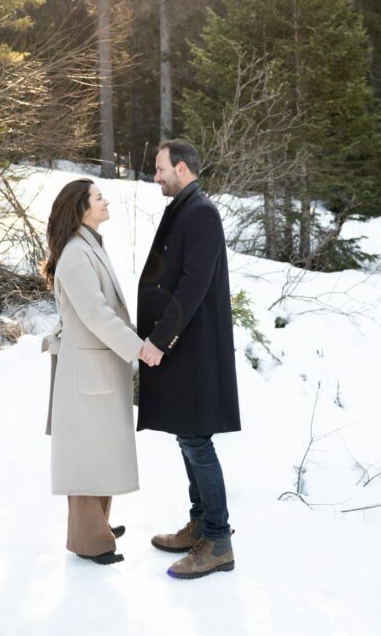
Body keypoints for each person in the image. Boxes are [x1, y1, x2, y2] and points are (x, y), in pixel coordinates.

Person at [137, 139, 241, 579]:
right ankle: (200, 523)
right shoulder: (185, 207)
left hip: (192, 348)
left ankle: (217, 540)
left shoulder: (201, 212)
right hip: (184, 347)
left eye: (160, 168)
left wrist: (161, 339)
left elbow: (194, 284)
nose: (155, 176)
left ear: (181, 168)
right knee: (187, 436)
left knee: (197, 440)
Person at [42, 177, 154, 565]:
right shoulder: (75, 254)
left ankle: (99, 526)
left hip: (98, 364)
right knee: (85, 453)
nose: (106, 202)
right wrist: (136, 347)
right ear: (80, 208)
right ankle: (91, 541)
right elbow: (95, 313)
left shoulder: (87, 247)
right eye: (98, 197)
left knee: (100, 448)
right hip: (87, 367)